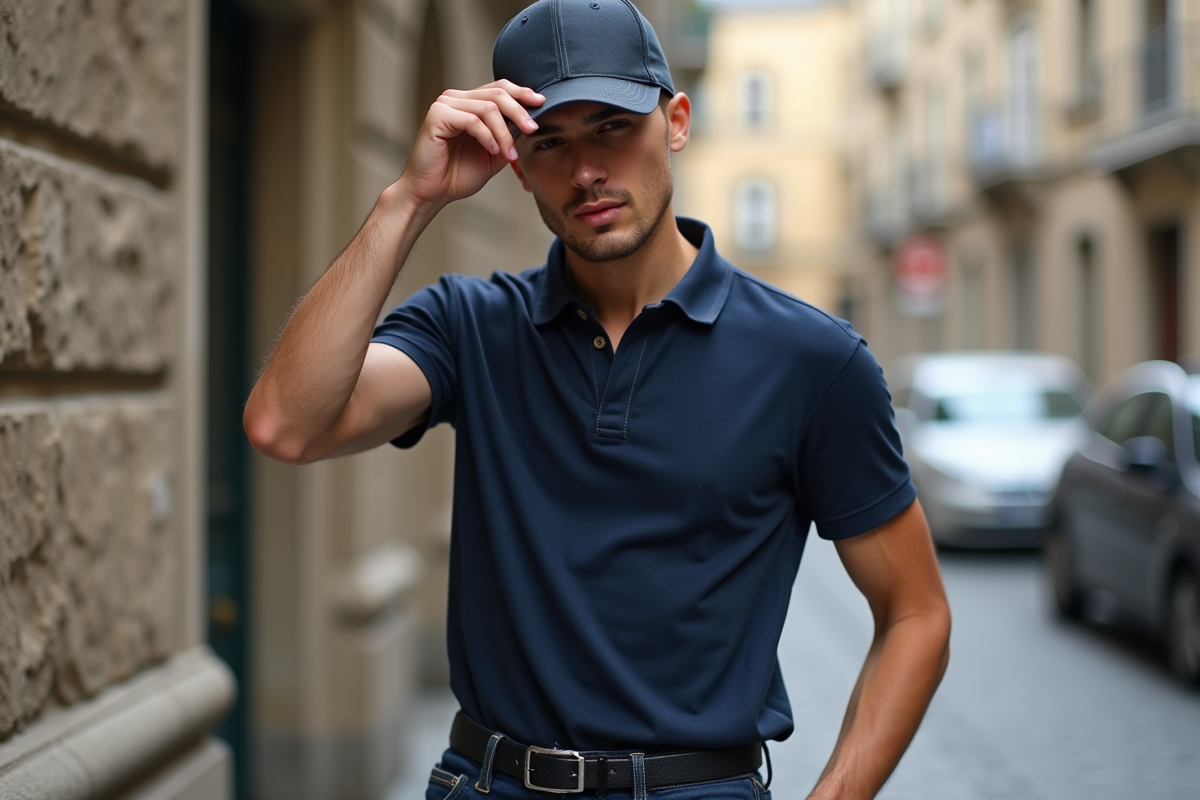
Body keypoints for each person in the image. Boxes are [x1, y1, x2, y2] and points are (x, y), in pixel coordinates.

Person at [244, 0, 951, 797]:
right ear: (514, 162)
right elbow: (284, 424)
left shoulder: (812, 360)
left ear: (675, 121)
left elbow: (915, 614)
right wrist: (410, 198)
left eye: (613, 126)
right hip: (489, 783)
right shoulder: (470, 327)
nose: (584, 170)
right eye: (550, 141)